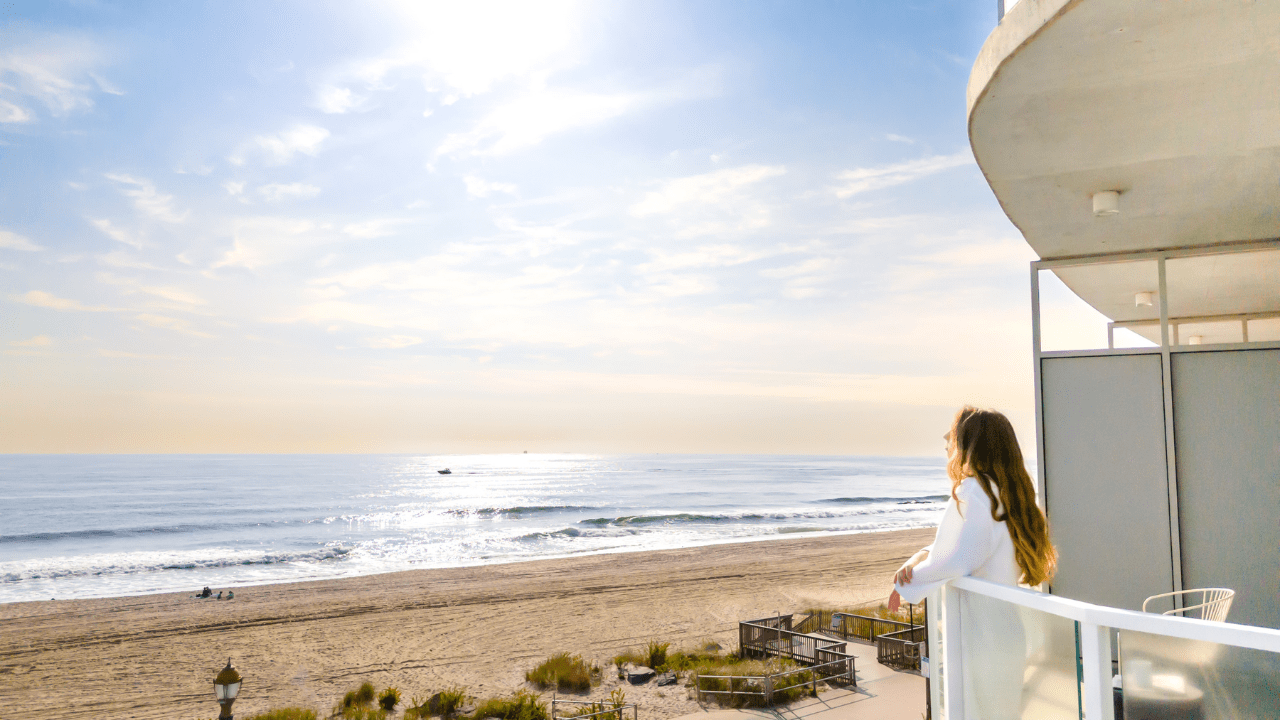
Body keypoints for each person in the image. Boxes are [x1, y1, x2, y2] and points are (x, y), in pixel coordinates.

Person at [889, 406, 1057, 719]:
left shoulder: (974, 490)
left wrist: (904, 582)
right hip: (1008, 633)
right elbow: (974, 548)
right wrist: (922, 556)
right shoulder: (1009, 495)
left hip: (983, 639)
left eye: (954, 437)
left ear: (971, 445)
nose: (947, 442)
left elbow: (956, 559)